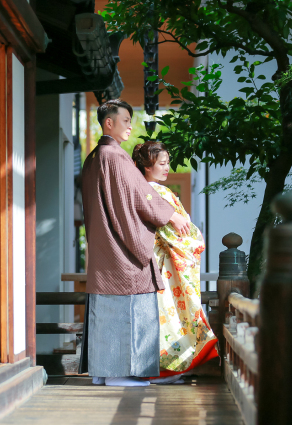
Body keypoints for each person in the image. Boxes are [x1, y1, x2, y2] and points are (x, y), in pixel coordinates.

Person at [78, 99, 190, 387]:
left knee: (105, 311)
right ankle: (123, 373)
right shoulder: (115, 158)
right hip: (121, 252)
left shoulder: (94, 157)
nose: (130, 125)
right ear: (108, 123)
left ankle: (104, 372)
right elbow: (142, 196)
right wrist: (171, 216)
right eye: (125, 120)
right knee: (132, 306)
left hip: (105, 248)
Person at [132, 141, 219, 384]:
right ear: (147, 166)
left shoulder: (144, 191)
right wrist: (195, 242)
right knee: (168, 316)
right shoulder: (157, 192)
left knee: (164, 317)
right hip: (165, 264)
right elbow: (176, 233)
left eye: (167, 162)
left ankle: (162, 368)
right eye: (162, 163)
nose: (167, 167)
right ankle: (164, 369)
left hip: (156, 262)